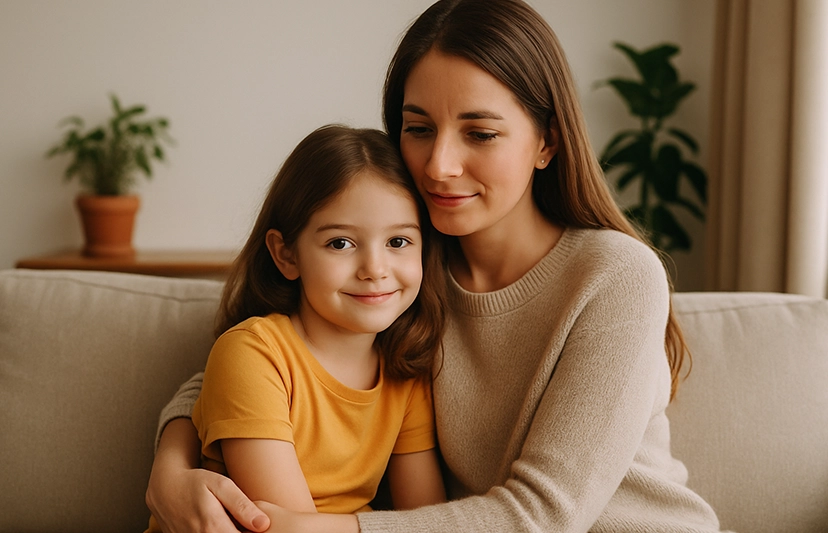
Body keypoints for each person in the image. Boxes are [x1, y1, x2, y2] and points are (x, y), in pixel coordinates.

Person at [146, 1, 729, 531]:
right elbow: (256, 363)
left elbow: (545, 517)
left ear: (547, 142)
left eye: (480, 133)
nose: (439, 165)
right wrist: (171, 470)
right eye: (419, 129)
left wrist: (320, 529)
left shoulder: (615, 275)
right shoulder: (401, 266)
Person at [146, 125, 447, 532]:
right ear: (286, 255)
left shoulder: (405, 372)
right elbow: (280, 527)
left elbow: (427, 521)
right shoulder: (254, 354)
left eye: (398, 242)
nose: (375, 269)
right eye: (340, 243)